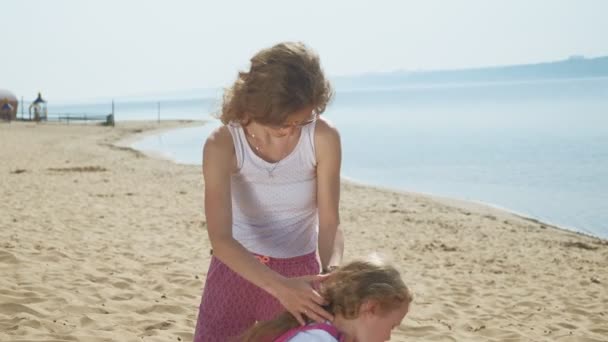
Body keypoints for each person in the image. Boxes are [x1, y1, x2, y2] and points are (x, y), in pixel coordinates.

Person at [193, 41, 344, 341]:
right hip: (236, 270)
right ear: (258, 105)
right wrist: (278, 286)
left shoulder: (323, 137)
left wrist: (333, 271)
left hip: (301, 273)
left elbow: (329, 223)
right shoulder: (222, 145)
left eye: (302, 120)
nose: (292, 130)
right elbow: (220, 239)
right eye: (284, 122)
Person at [240, 259, 413, 342]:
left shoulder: (330, 334)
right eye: (391, 326)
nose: (388, 337)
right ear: (371, 308)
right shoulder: (316, 339)